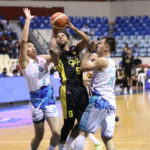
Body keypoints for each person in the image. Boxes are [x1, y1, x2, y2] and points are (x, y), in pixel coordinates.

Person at [49, 19, 98, 150]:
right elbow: (51, 49)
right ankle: (61, 144)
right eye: (58, 37)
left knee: (84, 121)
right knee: (69, 122)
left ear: (68, 39)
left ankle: (70, 140)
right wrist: (53, 32)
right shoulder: (58, 55)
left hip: (81, 88)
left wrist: (73, 27)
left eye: (62, 35)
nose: (60, 38)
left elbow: (87, 40)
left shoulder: (75, 49)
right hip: (68, 89)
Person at [18, 8, 60, 150]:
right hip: (36, 102)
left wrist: (54, 32)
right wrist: (28, 20)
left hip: (49, 99)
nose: (33, 48)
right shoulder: (24, 63)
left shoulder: (42, 59)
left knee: (57, 133)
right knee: (39, 136)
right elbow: (23, 41)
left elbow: (54, 56)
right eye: (30, 47)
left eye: (34, 46)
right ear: (25, 51)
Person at [74, 37, 116, 150]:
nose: (97, 45)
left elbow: (82, 67)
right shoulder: (112, 62)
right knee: (107, 138)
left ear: (106, 47)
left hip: (100, 100)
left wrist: (88, 50)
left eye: (100, 44)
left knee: (82, 131)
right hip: (111, 102)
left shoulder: (102, 60)